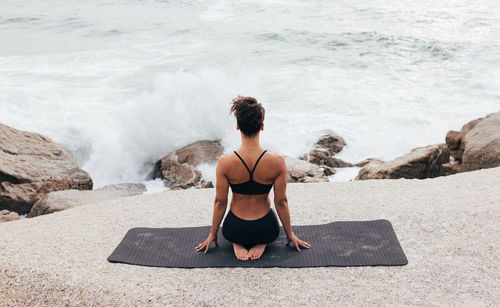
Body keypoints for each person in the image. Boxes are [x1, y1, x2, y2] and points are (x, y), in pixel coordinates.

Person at [195, 96, 311, 261]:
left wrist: (212, 234)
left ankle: (237, 242)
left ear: (237, 126)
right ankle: (261, 242)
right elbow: (281, 201)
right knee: (264, 231)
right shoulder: (277, 161)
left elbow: (220, 202)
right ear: (262, 126)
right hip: (265, 228)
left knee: (236, 232)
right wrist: (290, 234)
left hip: (234, 228)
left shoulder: (225, 162)